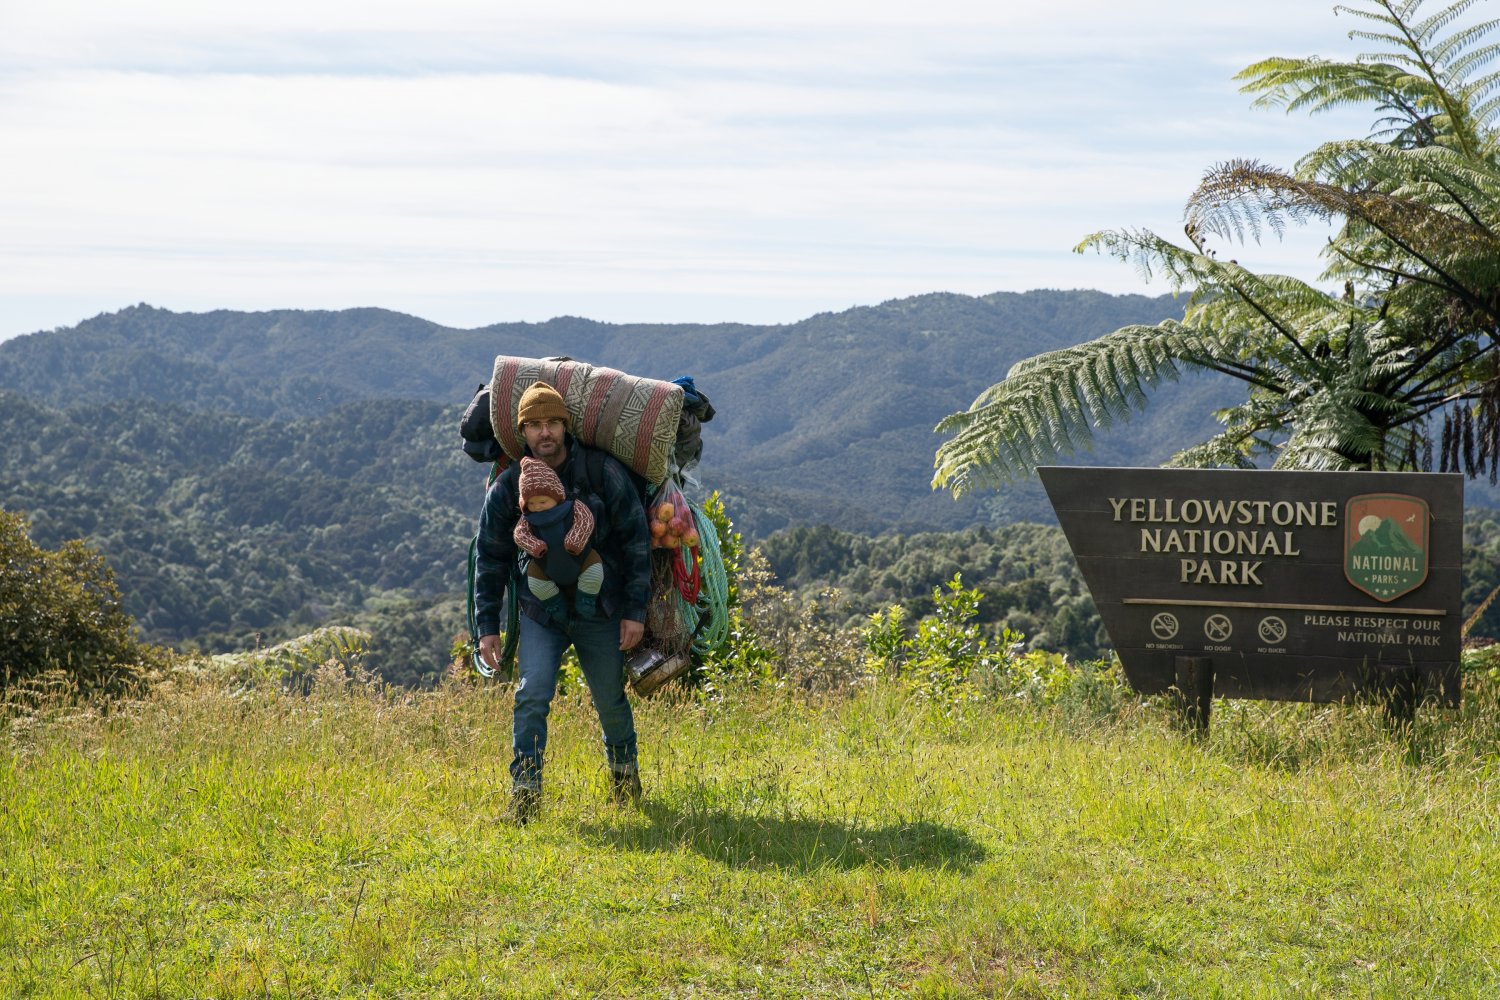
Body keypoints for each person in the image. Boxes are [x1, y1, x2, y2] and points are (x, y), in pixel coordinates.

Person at [473, 382, 652, 824]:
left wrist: (634, 612)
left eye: (551, 422)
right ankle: (526, 796)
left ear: (565, 425)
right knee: (531, 694)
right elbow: (491, 555)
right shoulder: (510, 484)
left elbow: (636, 542)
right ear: (523, 432)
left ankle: (625, 783)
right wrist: (487, 627)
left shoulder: (601, 471)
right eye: (533, 425)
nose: (544, 433)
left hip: (602, 610)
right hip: (540, 612)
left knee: (610, 698)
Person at [512, 456, 605, 622]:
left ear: (556, 495)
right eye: (531, 504)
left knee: (594, 570)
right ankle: (555, 603)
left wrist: (575, 539)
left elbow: (586, 520)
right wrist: (534, 545)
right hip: (545, 564)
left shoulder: (571, 506)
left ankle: (586, 599)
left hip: (580, 558)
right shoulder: (528, 519)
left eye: (542, 501)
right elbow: (520, 534)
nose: (537, 507)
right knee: (535, 581)